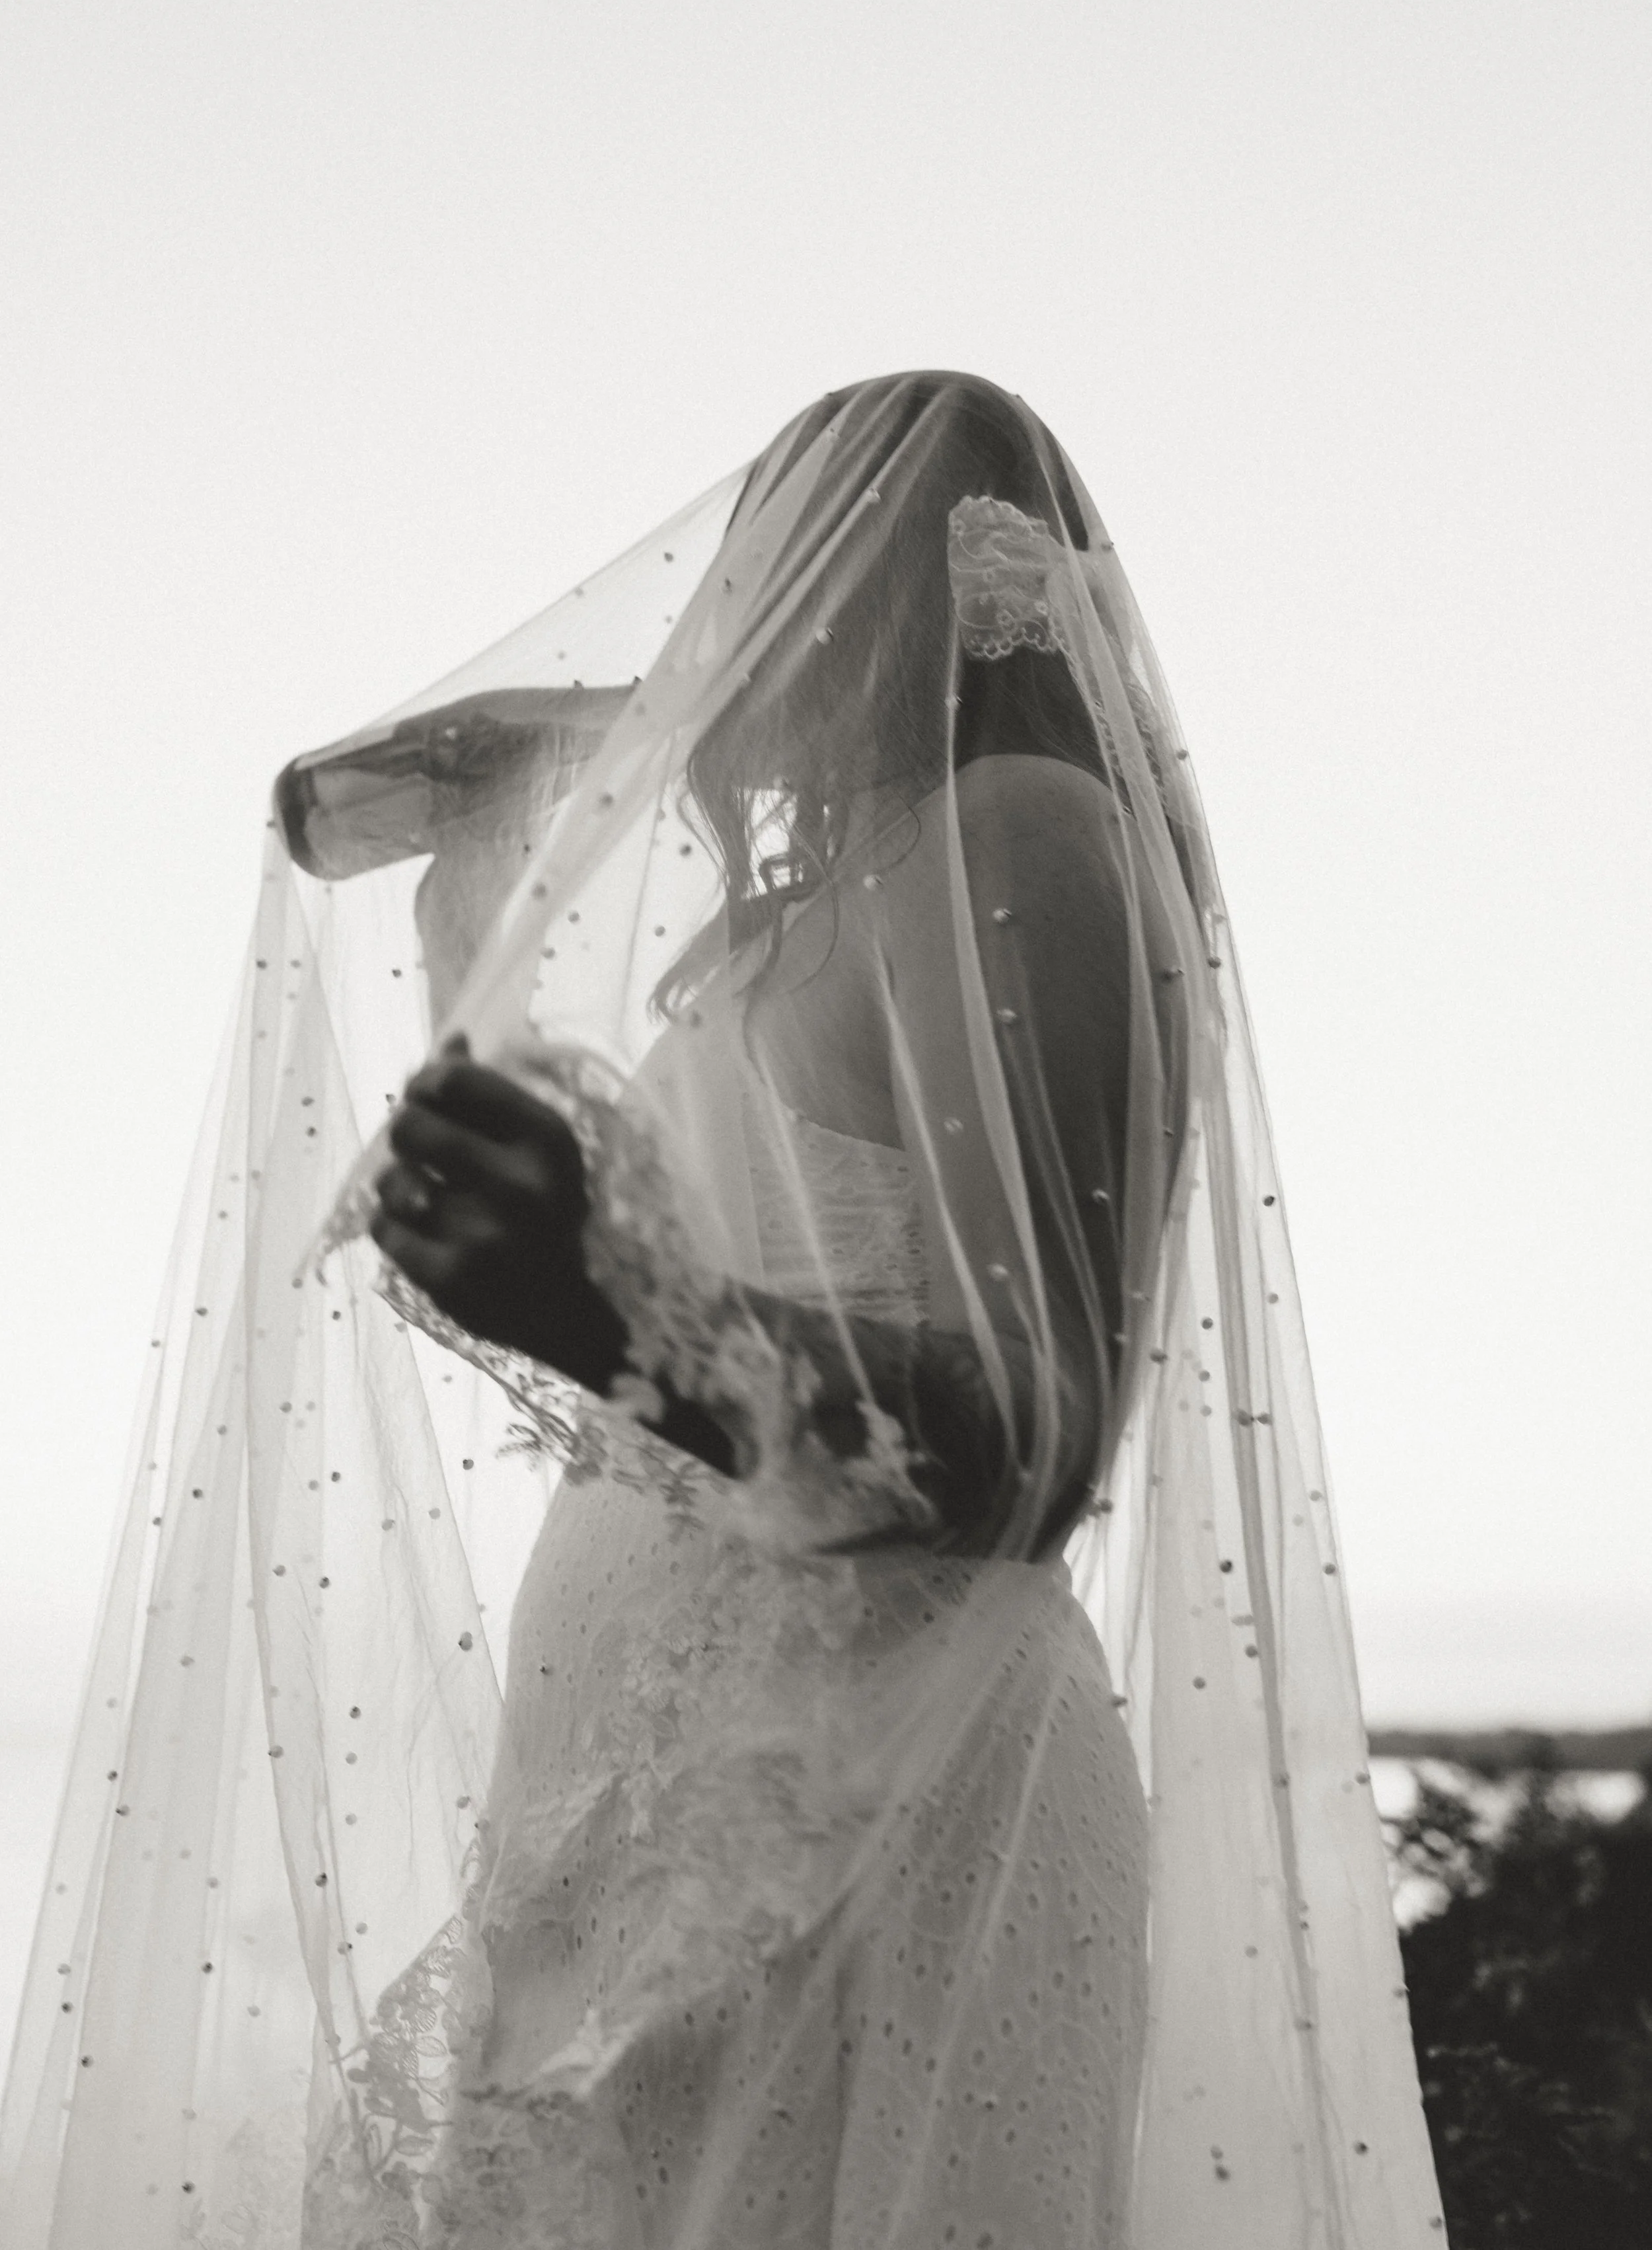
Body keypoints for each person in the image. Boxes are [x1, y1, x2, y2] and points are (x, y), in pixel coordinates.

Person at [1, 373, 1445, 2247]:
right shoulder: (847, 859)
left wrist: (608, 1307)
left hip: (880, 1808)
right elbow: (320, 806)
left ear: (914, 596)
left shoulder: (1019, 836)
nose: (736, 623)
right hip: (677, 1788)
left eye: (796, 573)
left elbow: (1040, 1439)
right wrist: (577, 726)